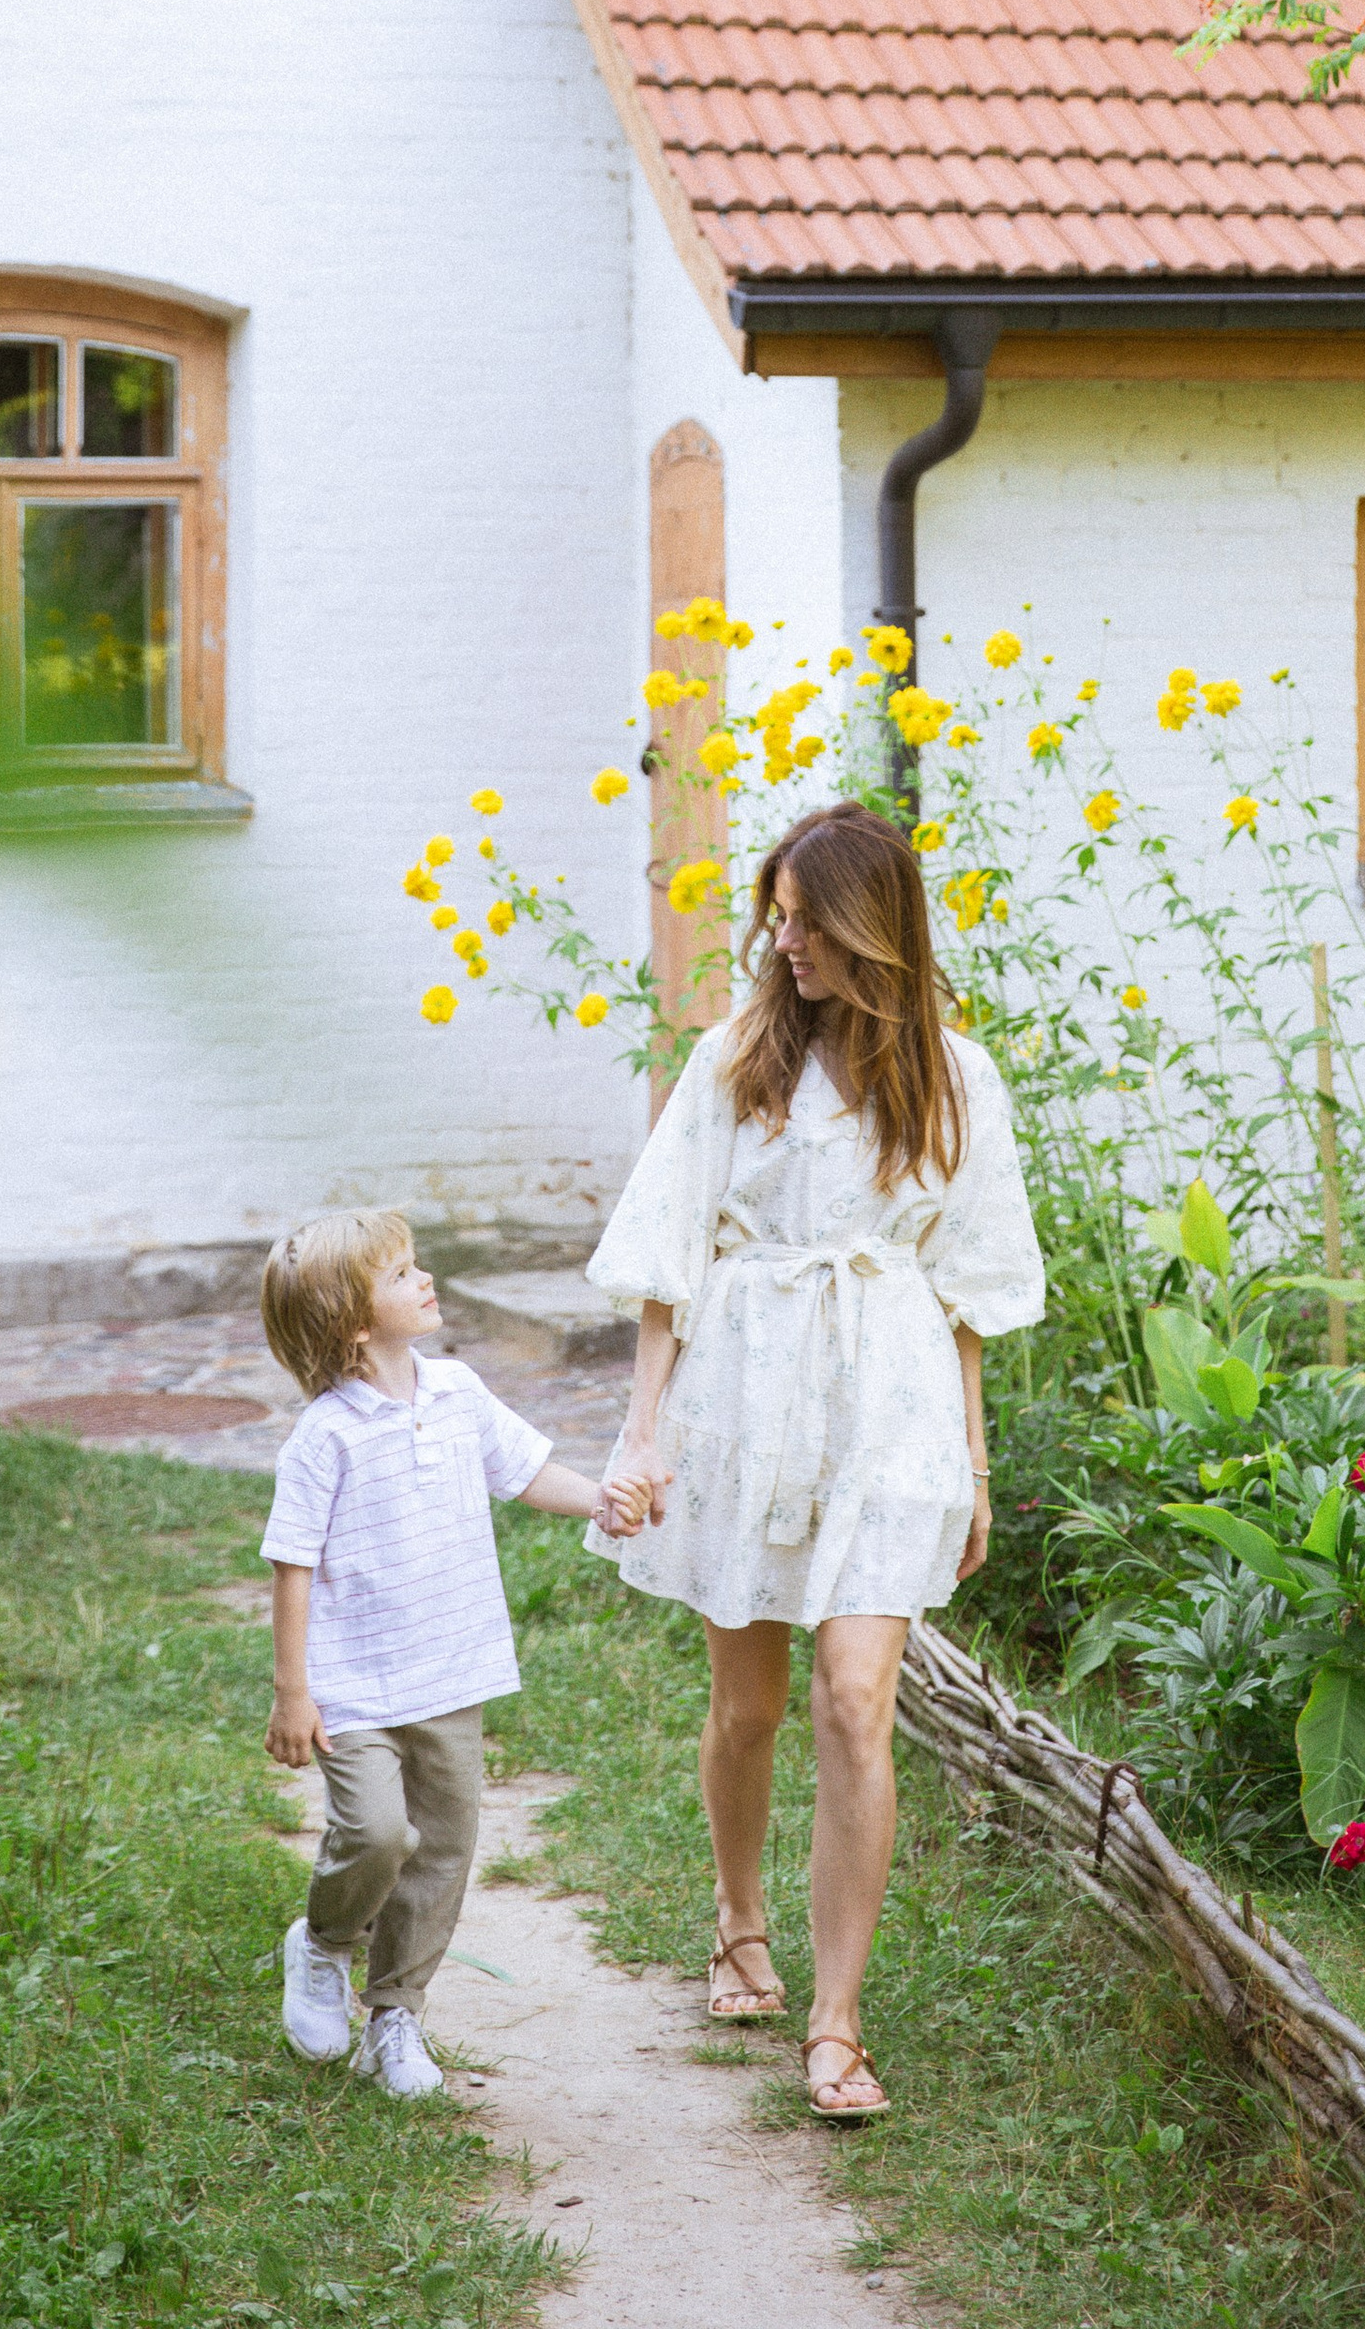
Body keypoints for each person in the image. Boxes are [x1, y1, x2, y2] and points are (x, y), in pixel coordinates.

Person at [588, 800, 1045, 2123]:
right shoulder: (736, 1062)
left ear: (869, 929)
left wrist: (972, 1455)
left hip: (891, 1394)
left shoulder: (958, 1079)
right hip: (747, 1386)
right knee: (753, 1707)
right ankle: (739, 1920)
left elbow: (968, 1289)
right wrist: (643, 1431)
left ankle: (836, 2030)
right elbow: (668, 1261)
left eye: (807, 921)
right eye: (775, 917)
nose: (783, 942)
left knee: (857, 1699)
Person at [260, 1208, 640, 2096]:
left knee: (443, 1848)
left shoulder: (459, 1393)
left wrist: (598, 1500)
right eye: (401, 1275)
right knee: (377, 1831)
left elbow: (522, 1469)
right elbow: (292, 1568)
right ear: (355, 1324)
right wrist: (292, 1692)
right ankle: (320, 1945)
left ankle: (396, 2016)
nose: (424, 1279)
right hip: (354, 1684)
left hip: (451, 1669)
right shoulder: (324, 1437)